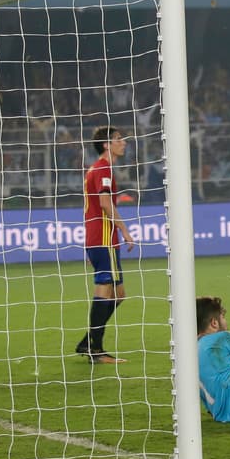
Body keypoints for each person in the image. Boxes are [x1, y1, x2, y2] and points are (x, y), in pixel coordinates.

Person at [73, 126, 135, 364]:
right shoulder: (102, 168)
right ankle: (95, 350)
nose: (124, 142)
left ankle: (88, 342)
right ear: (106, 144)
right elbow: (105, 203)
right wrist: (124, 230)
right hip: (103, 238)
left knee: (119, 294)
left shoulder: (97, 168)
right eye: (118, 139)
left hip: (100, 239)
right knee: (105, 290)